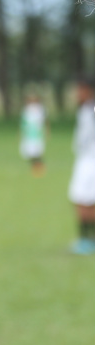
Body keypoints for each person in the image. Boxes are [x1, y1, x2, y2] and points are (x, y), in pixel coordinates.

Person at [68, 78, 95, 255]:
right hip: (85, 160)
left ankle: (86, 241)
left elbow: (83, 140)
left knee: (83, 199)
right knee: (85, 199)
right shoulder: (85, 109)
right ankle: (87, 239)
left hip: (89, 161)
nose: (77, 94)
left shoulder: (90, 111)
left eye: (80, 90)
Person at [19, 93, 48, 177]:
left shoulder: (40, 110)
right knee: (29, 152)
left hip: (37, 134)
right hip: (29, 134)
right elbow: (23, 123)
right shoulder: (26, 110)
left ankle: (39, 167)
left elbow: (44, 121)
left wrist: (46, 131)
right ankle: (34, 166)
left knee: (38, 151)